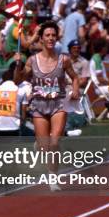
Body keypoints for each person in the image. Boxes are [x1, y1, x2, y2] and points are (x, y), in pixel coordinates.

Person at [14, 21, 79, 191]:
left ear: (57, 39)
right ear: (41, 39)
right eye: (47, 35)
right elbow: (17, 80)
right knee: (45, 146)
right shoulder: (32, 60)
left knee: (55, 142)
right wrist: (18, 65)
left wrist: (76, 90)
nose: (50, 38)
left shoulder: (63, 60)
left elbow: (75, 77)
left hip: (58, 104)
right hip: (39, 106)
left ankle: (53, 178)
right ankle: (39, 145)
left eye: (53, 35)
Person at [0, 62, 29, 136]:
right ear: (14, 78)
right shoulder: (21, 91)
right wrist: (21, 123)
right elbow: (24, 112)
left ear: (3, 79)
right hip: (14, 128)